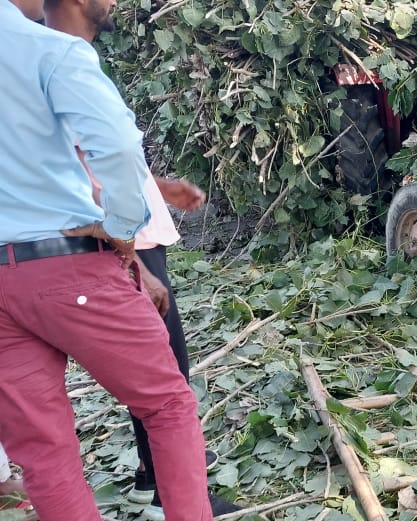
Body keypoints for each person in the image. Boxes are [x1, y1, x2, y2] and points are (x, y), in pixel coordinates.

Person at [0, 0, 212, 519]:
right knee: (167, 404)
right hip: (67, 263)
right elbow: (115, 148)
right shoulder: (47, 50)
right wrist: (120, 228)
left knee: (44, 453)